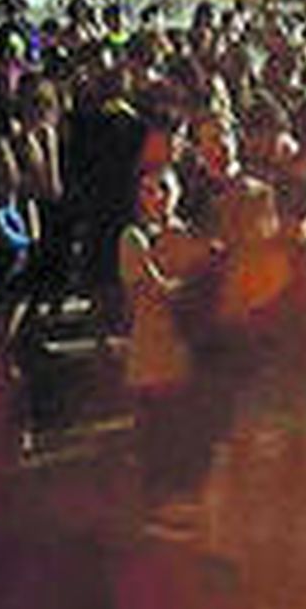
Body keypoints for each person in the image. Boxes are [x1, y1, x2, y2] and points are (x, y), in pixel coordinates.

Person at [120, 164, 216, 514]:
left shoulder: (189, 234)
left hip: (184, 347)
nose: (157, 197)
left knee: (179, 431)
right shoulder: (134, 237)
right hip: (152, 346)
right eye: (148, 190)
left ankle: (176, 502)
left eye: (164, 187)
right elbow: (150, 288)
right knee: (154, 432)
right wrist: (191, 282)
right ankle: (153, 504)